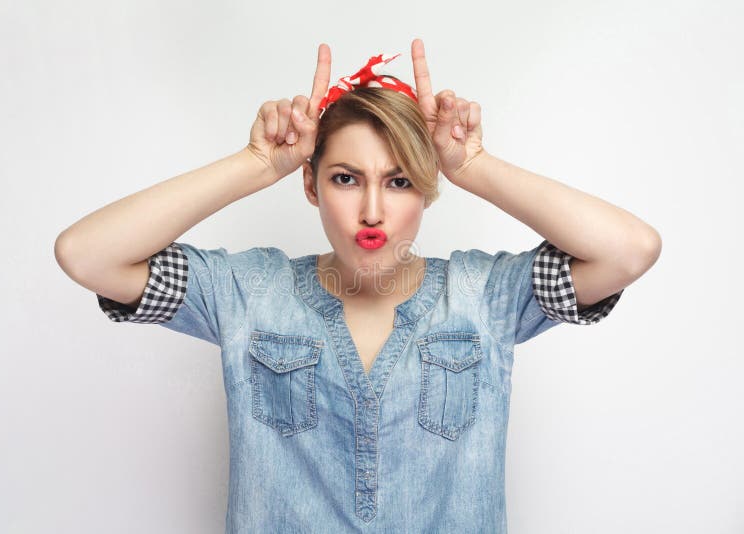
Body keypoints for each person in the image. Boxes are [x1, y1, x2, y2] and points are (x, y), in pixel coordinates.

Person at [54, 38, 660, 532]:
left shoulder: (487, 298)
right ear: (312, 186)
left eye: (399, 183)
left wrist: (474, 165)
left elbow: (630, 250)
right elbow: (87, 255)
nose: (372, 211)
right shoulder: (247, 292)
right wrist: (255, 164)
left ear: (427, 188)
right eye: (346, 179)